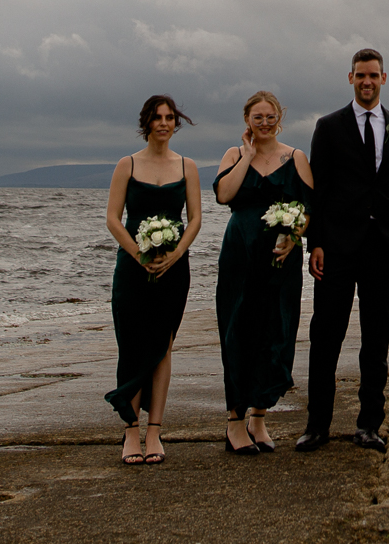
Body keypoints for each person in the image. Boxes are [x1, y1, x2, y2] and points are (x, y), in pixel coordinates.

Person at [299, 48, 389, 453]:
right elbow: (320, 188)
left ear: (385, 78)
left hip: (381, 247)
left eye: (374, 76)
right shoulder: (328, 126)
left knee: (376, 337)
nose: (367, 82)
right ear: (350, 78)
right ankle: (317, 426)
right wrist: (314, 243)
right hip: (337, 246)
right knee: (325, 335)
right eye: (361, 76)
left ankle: (369, 425)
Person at [103, 94, 203, 465]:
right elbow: (113, 218)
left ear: (175, 123)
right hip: (133, 268)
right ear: (146, 123)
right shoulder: (126, 165)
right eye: (157, 118)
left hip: (175, 270)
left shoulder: (187, 166)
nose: (164, 123)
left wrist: (176, 254)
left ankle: (156, 432)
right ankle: (131, 432)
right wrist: (137, 253)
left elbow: (194, 219)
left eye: (169, 118)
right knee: (130, 345)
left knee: (163, 346)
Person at [214, 90, 314, 455]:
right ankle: (234, 422)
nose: (265, 123)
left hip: (281, 258)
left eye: (270, 116)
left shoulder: (296, 157)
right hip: (240, 254)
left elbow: (309, 208)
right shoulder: (233, 154)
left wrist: (295, 238)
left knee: (277, 330)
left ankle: (259, 417)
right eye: (258, 117)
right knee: (239, 330)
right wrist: (248, 156)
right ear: (247, 121)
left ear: (279, 118)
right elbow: (224, 195)